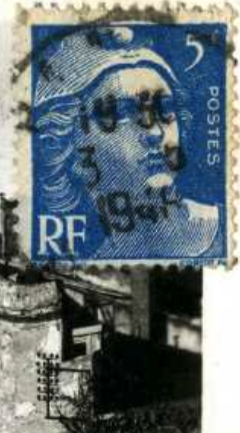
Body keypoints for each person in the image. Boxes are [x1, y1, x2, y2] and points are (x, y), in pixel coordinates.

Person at [32, 25, 221, 259]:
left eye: (166, 109)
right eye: (121, 113)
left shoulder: (221, 236)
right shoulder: (98, 261)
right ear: (66, 144)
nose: (155, 132)